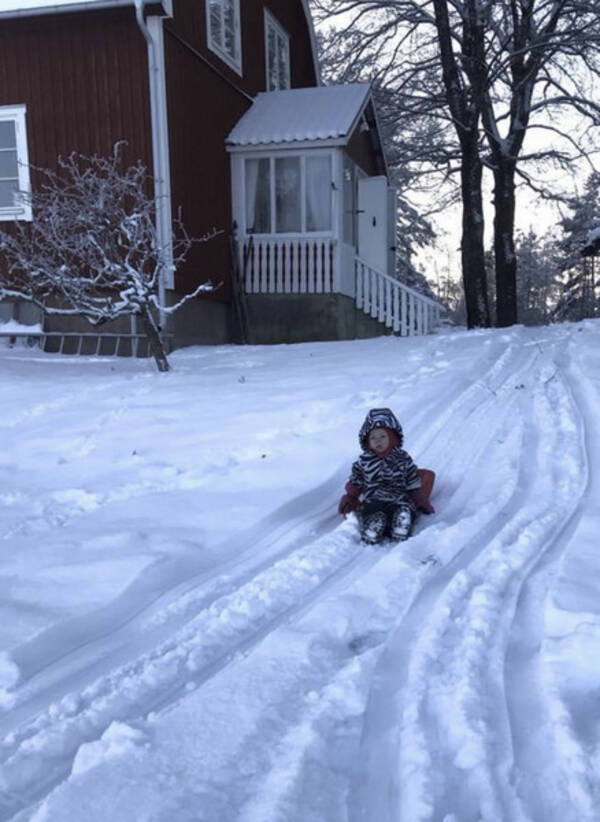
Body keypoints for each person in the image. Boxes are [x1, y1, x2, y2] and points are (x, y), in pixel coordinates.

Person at [338, 407, 435, 544]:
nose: (378, 441)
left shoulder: (402, 458)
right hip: (374, 498)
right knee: (369, 509)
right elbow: (355, 481)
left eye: (383, 436)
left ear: (393, 437)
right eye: (373, 437)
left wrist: (421, 502)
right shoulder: (364, 461)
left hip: (398, 498)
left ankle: (401, 524)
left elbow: (412, 482)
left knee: (405, 508)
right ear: (367, 441)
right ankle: (373, 527)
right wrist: (350, 497)